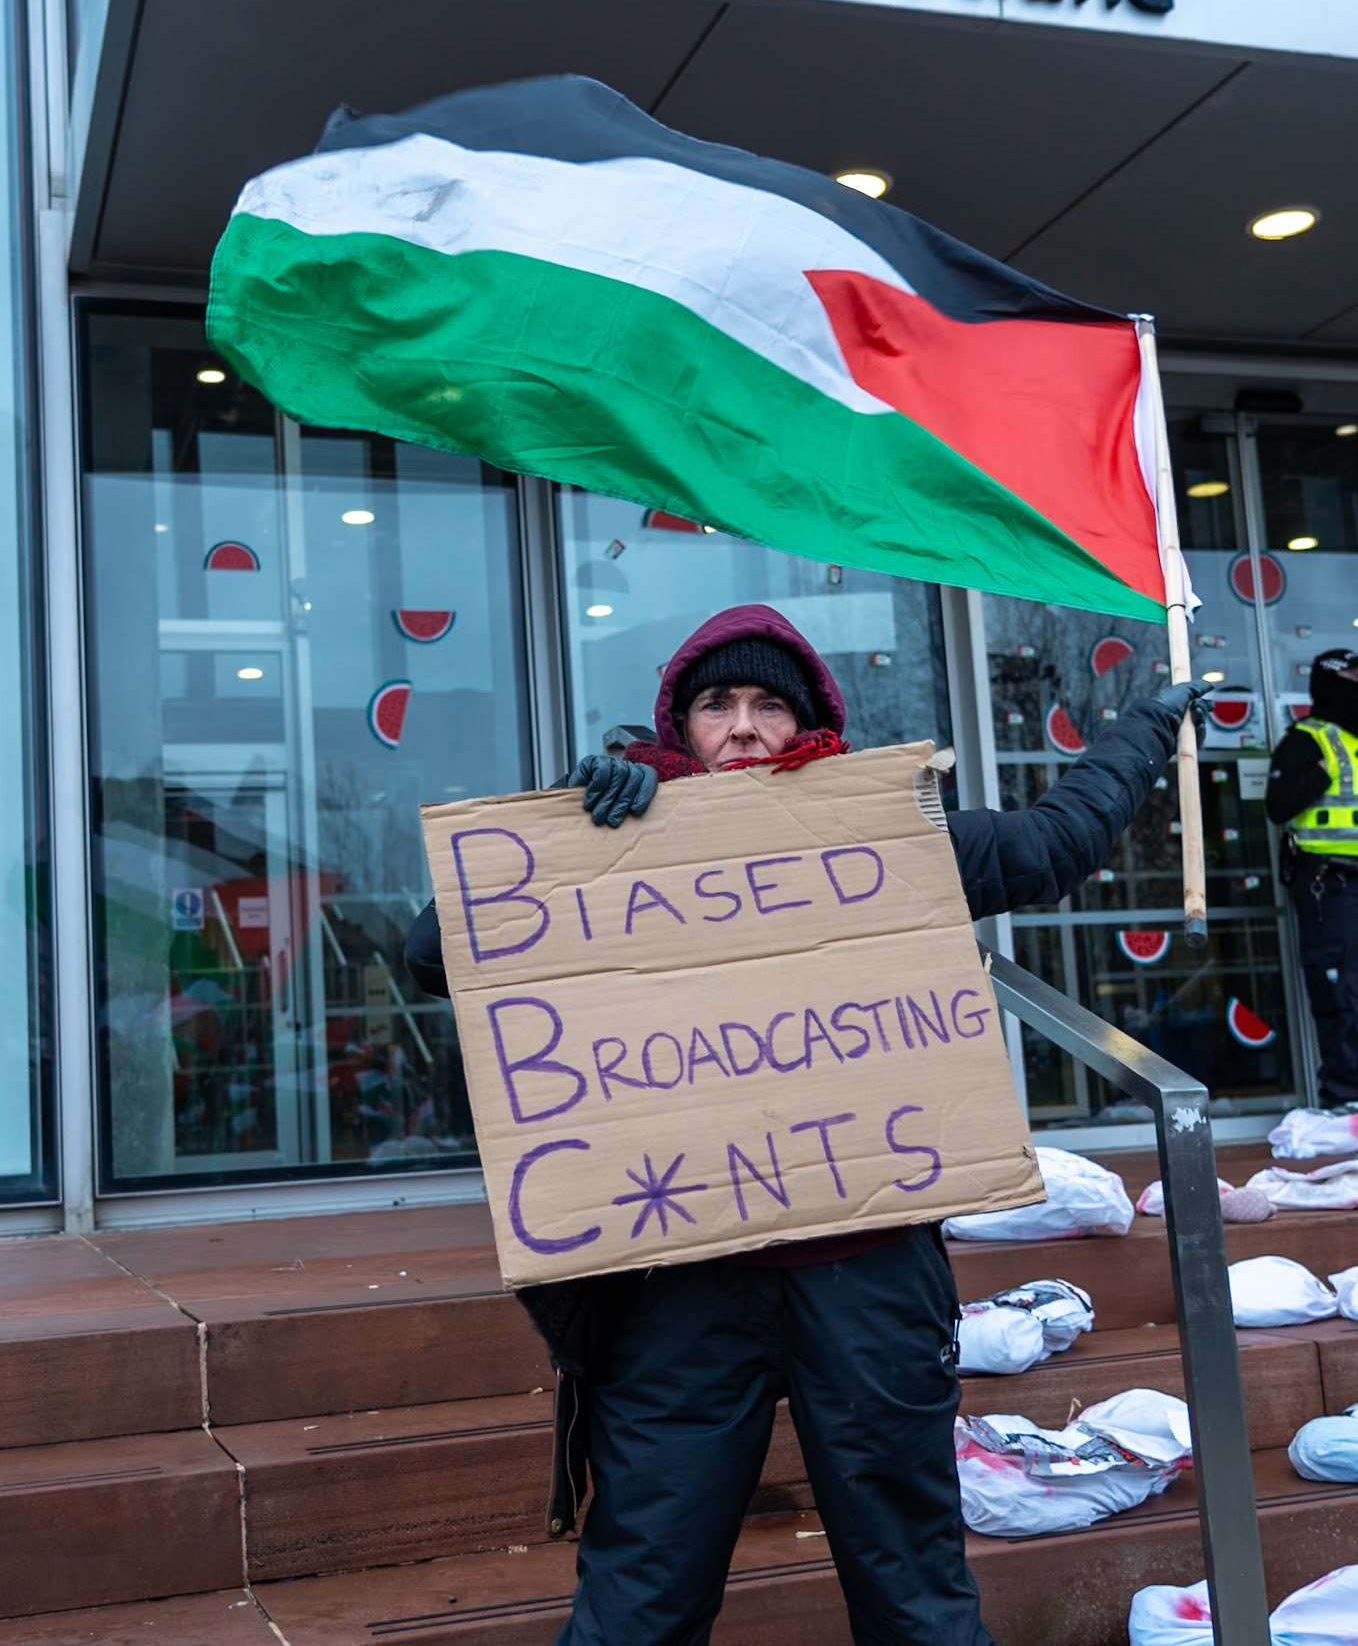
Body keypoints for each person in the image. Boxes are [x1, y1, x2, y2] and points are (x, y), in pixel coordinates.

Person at [406, 603, 1201, 1646]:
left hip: (865, 1279)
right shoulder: (613, 835)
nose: (741, 726)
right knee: (639, 1590)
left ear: (807, 722)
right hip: (675, 1289)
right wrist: (560, 824)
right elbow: (432, 951)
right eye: (716, 704)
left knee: (913, 1588)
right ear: (678, 726)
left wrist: (1144, 727)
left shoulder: (886, 838)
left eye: (767, 704)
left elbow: (1055, 842)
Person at [1267, 649, 1358, 1106]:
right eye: (1354, 675)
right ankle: (1346, 1103)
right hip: (1331, 884)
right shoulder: (1306, 739)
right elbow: (1277, 806)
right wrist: (1320, 776)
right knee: (1340, 993)